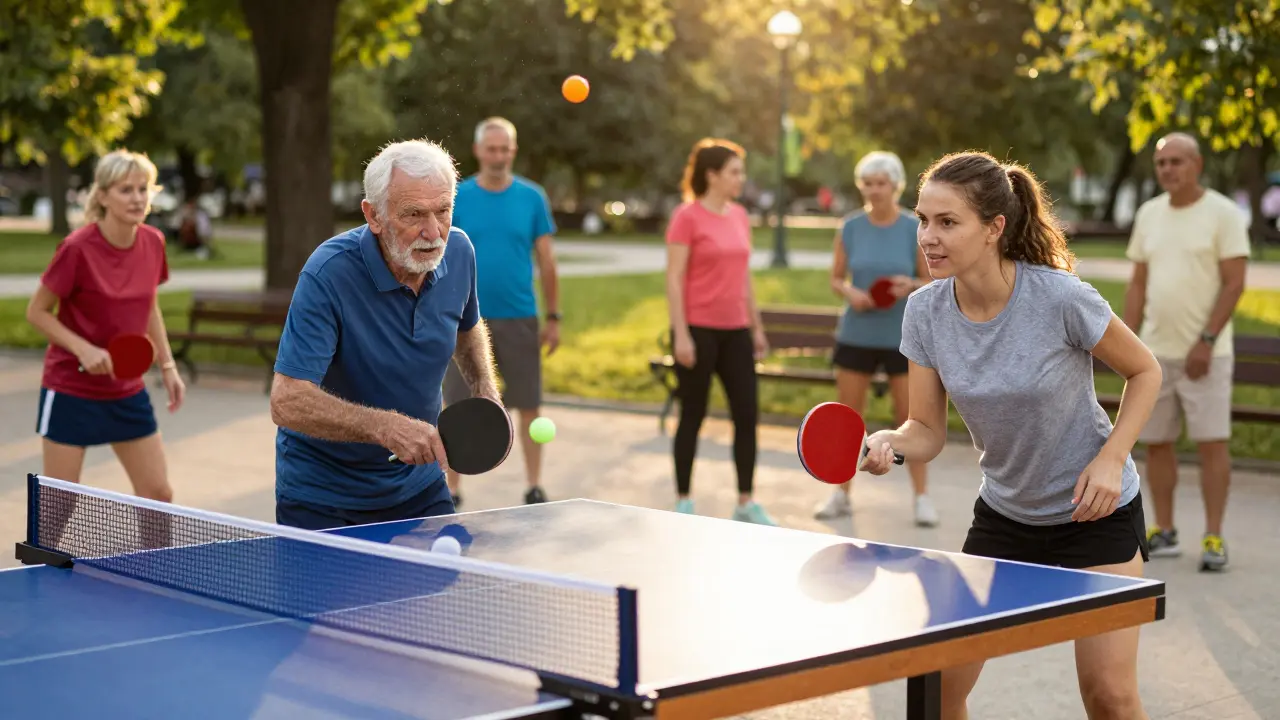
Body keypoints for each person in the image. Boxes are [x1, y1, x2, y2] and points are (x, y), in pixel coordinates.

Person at [860, 150, 1163, 719]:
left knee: (1110, 697)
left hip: (1094, 517)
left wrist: (1111, 457)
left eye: (948, 222)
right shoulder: (924, 311)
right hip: (1005, 518)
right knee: (938, 689)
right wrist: (890, 442)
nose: (928, 235)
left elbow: (1146, 371)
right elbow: (924, 428)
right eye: (924, 219)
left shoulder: (1059, 296)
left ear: (995, 228)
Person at [269, 139, 501, 530]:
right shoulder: (328, 273)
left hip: (420, 486)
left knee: (444, 591)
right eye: (414, 214)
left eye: (443, 210)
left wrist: (485, 389)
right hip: (323, 498)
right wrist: (386, 428)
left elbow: (467, 325)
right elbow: (287, 401)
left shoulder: (459, 251)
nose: (433, 232)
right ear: (373, 216)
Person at [26, 149, 185, 502]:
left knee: (158, 495)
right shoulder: (76, 248)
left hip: (126, 389)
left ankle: (153, 561)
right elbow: (36, 312)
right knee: (59, 506)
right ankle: (50, 562)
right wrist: (83, 347)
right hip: (71, 388)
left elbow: (149, 307)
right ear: (102, 196)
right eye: (125, 190)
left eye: (143, 189)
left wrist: (168, 365)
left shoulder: (153, 242)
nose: (137, 198)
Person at [1123, 132, 1250, 572]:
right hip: (1155, 355)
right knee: (1157, 443)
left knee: (1212, 443)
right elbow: (1138, 282)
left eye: (1177, 161)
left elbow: (1235, 283)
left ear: (1196, 164)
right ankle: (1166, 529)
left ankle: (1213, 536)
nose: (1168, 170)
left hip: (1207, 354)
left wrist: (1208, 340)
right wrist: (1130, 344)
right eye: (1161, 164)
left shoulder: (1223, 214)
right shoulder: (1149, 214)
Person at [443, 117, 560, 508]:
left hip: (519, 318)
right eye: (491, 148)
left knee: (529, 405)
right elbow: (440, 258)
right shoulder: (458, 197)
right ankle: (452, 490)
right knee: (458, 406)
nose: (498, 155)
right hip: (464, 321)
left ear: (514, 150)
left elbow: (546, 261)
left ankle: (534, 485)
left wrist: (554, 317)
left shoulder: (532, 198)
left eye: (505, 148)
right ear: (478, 151)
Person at [815, 150, 937, 526]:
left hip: (903, 336)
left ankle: (921, 498)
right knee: (849, 419)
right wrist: (849, 292)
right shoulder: (849, 227)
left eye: (881, 183)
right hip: (857, 332)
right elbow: (837, 278)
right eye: (868, 183)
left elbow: (931, 279)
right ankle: (841, 493)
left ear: (896, 186)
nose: (874, 190)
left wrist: (910, 285)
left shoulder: (911, 228)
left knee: (909, 419)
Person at [664, 138, 775, 525]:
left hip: (736, 332)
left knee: (746, 415)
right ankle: (683, 499)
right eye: (734, 172)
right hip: (698, 330)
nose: (741, 179)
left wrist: (756, 327)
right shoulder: (687, 216)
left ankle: (745, 501)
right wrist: (681, 334)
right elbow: (674, 278)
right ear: (712, 175)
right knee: (692, 415)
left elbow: (744, 277)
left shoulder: (740, 216)